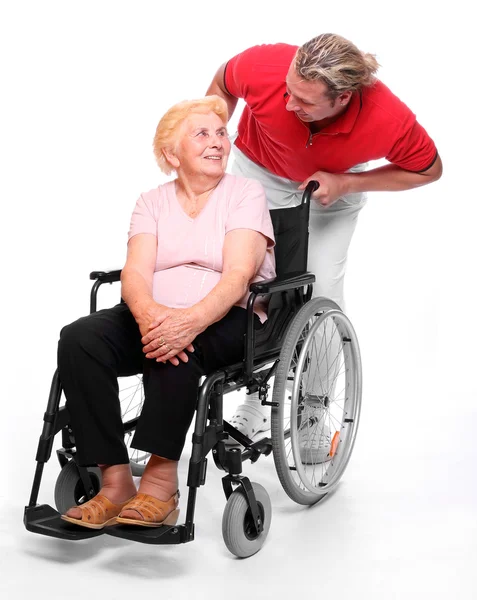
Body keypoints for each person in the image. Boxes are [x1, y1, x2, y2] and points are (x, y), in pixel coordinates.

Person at [206, 32, 442, 456]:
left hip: (330, 194)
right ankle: (255, 400)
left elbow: (428, 169)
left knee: (320, 294)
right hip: (257, 174)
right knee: (248, 286)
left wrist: (348, 181)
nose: (288, 104)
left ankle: (312, 408)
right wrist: (213, 135)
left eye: (304, 101)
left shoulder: (387, 117)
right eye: (288, 91)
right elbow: (223, 83)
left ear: (343, 98)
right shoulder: (265, 66)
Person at [58, 95, 276, 529]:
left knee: (180, 347)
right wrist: (152, 317)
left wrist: (188, 321)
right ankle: (115, 480)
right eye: (202, 134)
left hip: (229, 315)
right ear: (171, 154)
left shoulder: (244, 193)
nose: (217, 142)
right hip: (153, 312)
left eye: (220, 133)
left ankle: (160, 485)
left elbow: (237, 275)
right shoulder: (152, 201)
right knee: (79, 338)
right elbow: (135, 273)